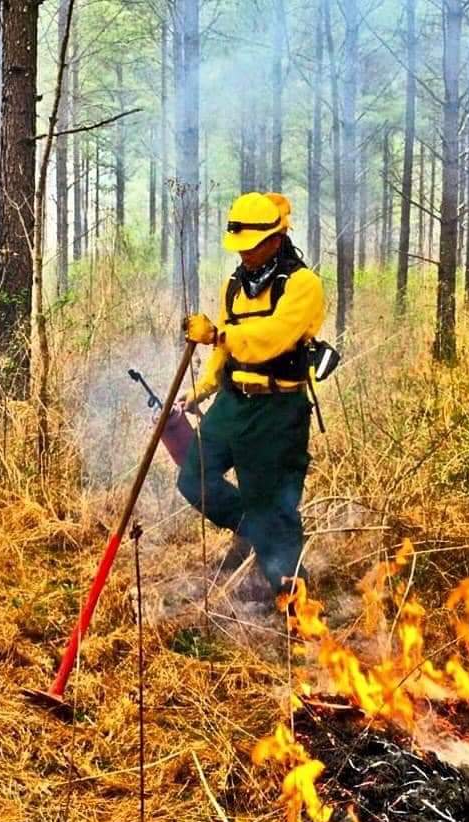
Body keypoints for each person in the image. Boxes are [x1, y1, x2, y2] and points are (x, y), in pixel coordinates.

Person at [177, 191, 325, 602]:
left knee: (274, 505)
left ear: (275, 240)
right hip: (232, 404)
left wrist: (217, 333)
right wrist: (200, 390)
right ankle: (259, 532)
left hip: (277, 410)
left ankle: (293, 600)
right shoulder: (234, 286)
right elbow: (224, 352)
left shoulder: (302, 285)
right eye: (239, 247)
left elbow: (270, 340)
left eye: (251, 246)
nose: (244, 255)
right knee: (193, 479)